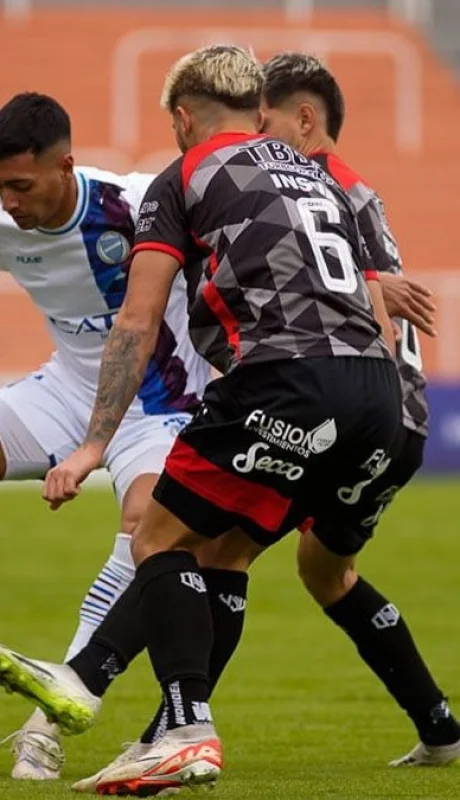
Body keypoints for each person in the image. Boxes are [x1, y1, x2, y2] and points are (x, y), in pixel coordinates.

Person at [0, 43, 425, 797]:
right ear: (259, 112)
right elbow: (334, 253)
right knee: (224, 552)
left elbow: (137, 321)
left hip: (230, 386)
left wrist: (95, 443)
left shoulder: (173, 181)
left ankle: (127, 712)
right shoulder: (306, 174)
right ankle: (158, 720)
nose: (11, 200)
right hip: (373, 391)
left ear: (182, 117)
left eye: (21, 184)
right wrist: (373, 285)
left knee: (158, 532)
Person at [0, 91, 211, 780]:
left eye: (21, 185)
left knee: (146, 524)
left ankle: (48, 719)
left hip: (160, 402)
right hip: (66, 391)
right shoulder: (4, 218)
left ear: (66, 165)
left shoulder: (140, 202)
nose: (9, 202)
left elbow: (259, 235)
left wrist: (369, 287)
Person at [260, 53, 455, 768]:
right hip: (399, 418)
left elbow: (357, 304)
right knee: (323, 571)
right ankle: (439, 727)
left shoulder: (321, 190)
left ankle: (167, 725)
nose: (258, 140)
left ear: (304, 121)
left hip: (351, 411)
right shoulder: (355, 193)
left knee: (206, 543)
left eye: (266, 124)